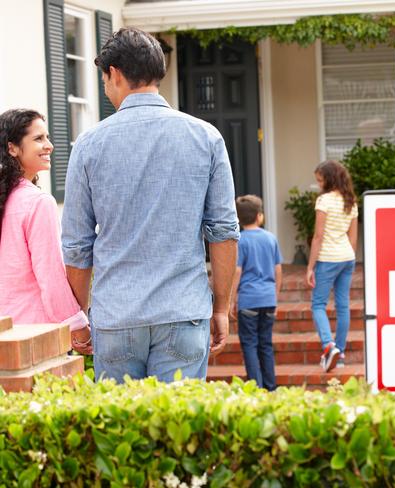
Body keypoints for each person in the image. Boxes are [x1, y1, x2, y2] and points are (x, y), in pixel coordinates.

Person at [61, 28, 239, 383]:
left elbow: (78, 246)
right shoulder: (206, 137)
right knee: (177, 434)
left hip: (116, 316)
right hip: (183, 310)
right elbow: (223, 233)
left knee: (119, 433)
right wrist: (221, 306)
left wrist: (79, 317)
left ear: (113, 73)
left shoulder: (88, 144)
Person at [0, 109, 90, 353]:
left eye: (47, 137)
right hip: (35, 335)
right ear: (12, 148)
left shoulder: (10, 200)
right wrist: (78, 326)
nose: (49, 145)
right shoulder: (38, 202)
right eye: (38, 139)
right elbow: (50, 277)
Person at [306, 160, 358, 372]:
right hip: (347, 257)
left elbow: (318, 236)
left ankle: (329, 346)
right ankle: (341, 352)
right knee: (342, 306)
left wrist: (310, 267)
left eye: (320, 180)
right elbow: (353, 237)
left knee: (318, 304)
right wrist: (349, 257)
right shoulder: (350, 201)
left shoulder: (324, 201)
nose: (319, 184)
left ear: (329, 178)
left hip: (328, 258)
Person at [231, 195, 282, 390]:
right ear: (259, 216)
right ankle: (271, 387)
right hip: (268, 299)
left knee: (250, 345)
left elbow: (237, 271)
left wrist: (230, 300)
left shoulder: (240, 241)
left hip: (249, 300)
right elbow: (278, 270)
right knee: (266, 345)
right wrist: (275, 297)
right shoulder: (271, 238)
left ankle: (255, 387)